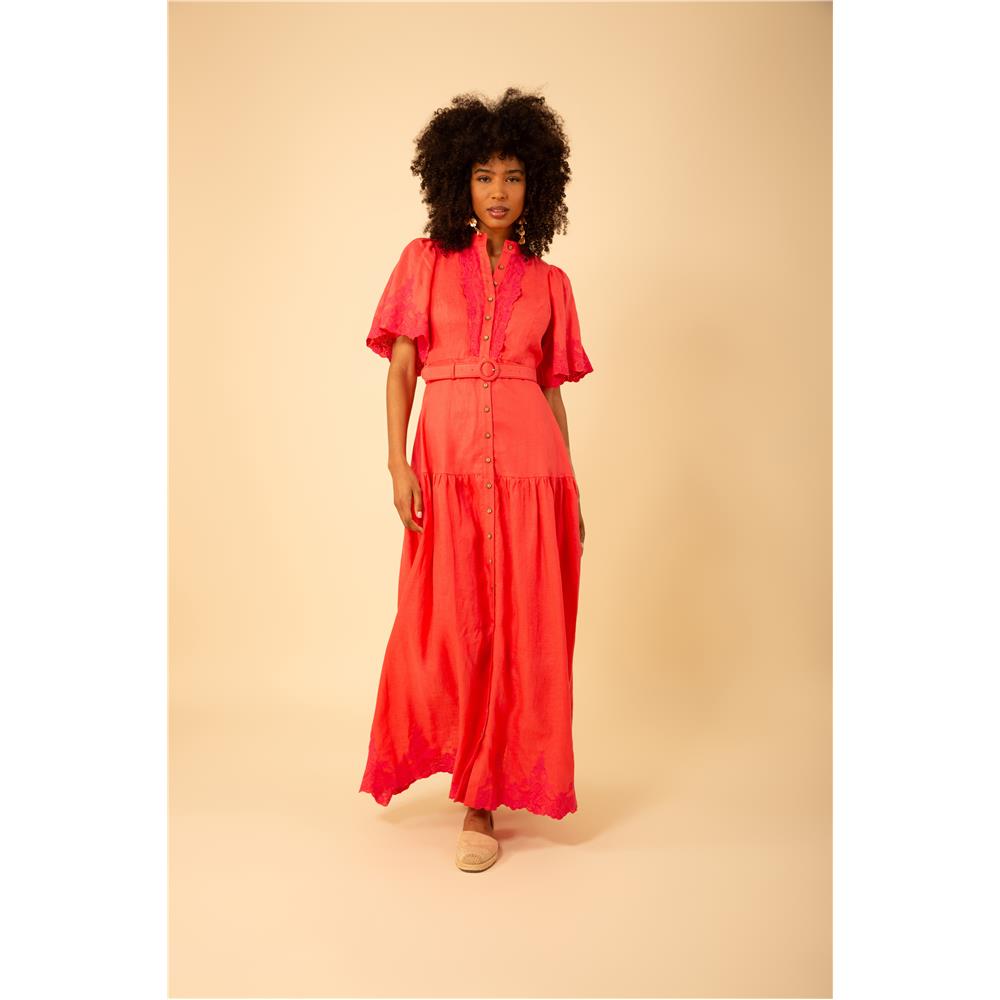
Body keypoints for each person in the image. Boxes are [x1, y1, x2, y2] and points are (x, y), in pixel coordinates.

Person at [359, 87, 594, 872]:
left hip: (533, 474)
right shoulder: (423, 262)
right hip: (448, 466)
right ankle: (460, 766)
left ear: (537, 187)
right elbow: (401, 371)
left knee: (521, 628)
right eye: (485, 175)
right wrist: (397, 463)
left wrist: (573, 487)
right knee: (446, 624)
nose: (499, 192)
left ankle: (482, 800)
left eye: (514, 177)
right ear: (458, 179)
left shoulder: (551, 284)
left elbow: (550, 392)